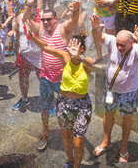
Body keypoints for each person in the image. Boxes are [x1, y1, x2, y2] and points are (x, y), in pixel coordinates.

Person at [28, 30, 94, 168]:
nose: (70, 49)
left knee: (78, 142)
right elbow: (46, 47)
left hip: (82, 105)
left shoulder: (86, 63)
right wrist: (32, 37)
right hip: (64, 103)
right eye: (69, 46)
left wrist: (79, 56)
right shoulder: (65, 57)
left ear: (81, 49)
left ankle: (76, 166)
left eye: (73, 47)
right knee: (66, 136)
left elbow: (90, 63)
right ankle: (70, 161)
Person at [90, 14, 138, 163]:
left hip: (128, 92)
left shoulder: (136, 48)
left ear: (131, 43)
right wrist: (95, 27)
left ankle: (123, 147)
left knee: (126, 119)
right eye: (118, 44)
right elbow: (99, 37)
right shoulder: (113, 41)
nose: (119, 47)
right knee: (108, 114)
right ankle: (106, 141)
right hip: (110, 89)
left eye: (123, 45)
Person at [24, 0, 80, 151]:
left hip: (63, 79)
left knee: (68, 107)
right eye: (43, 19)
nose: (46, 22)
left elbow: (74, 21)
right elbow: (26, 19)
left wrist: (76, 10)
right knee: (44, 107)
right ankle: (45, 131)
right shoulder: (41, 29)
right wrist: (29, 5)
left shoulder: (63, 29)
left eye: (49, 19)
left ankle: (74, 131)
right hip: (46, 77)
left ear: (56, 19)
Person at [10, 0, 42, 110]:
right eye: (28, 5)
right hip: (24, 55)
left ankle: (48, 102)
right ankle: (24, 99)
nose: (31, 8)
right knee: (23, 79)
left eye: (33, 6)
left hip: (39, 54)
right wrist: (16, 54)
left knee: (43, 80)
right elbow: (17, 36)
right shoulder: (19, 17)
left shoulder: (42, 17)